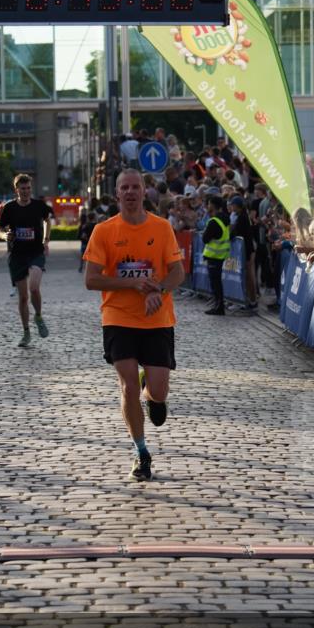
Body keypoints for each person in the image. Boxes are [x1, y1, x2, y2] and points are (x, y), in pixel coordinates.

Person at [83, 168, 185, 482]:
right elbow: (91, 279)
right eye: (124, 187)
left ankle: (154, 394)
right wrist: (131, 284)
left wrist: (160, 290)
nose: (130, 192)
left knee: (157, 389)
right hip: (118, 317)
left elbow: (177, 272)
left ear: (144, 192)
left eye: (135, 187)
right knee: (127, 387)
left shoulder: (162, 227)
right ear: (117, 194)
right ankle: (141, 452)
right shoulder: (103, 231)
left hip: (157, 319)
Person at [0, 173, 52, 347]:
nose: (26, 191)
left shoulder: (39, 206)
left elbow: (47, 221)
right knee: (22, 297)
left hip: (36, 252)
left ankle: (39, 316)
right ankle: (26, 332)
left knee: (34, 288)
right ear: (16, 189)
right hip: (17, 255)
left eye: (28, 188)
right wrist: (4, 235)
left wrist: (46, 240)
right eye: (23, 188)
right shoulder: (9, 208)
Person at [201, 194, 231, 315]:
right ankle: (218, 306)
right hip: (221, 256)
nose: (207, 206)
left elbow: (205, 238)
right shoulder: (225, 219)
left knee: (215, 283)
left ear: (213, 205)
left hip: (214, 257)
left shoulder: (214, 221)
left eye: (208, 204)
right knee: (217, 282)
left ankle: (219, 307)